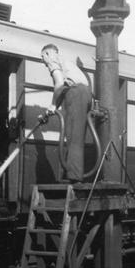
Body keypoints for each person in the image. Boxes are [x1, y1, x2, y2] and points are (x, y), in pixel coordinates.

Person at [40, 43, 92, 183]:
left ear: (48, 54)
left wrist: (52, 105)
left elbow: (59, 84)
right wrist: (52, 108)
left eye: (42, 57)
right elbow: (63, 88)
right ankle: (73, 173)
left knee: (73, 137)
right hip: (82, 94)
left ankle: (74, 177)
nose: (43, 62)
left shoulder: (53, 60)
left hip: (75, 94)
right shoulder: (66, 62)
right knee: (74, 135)